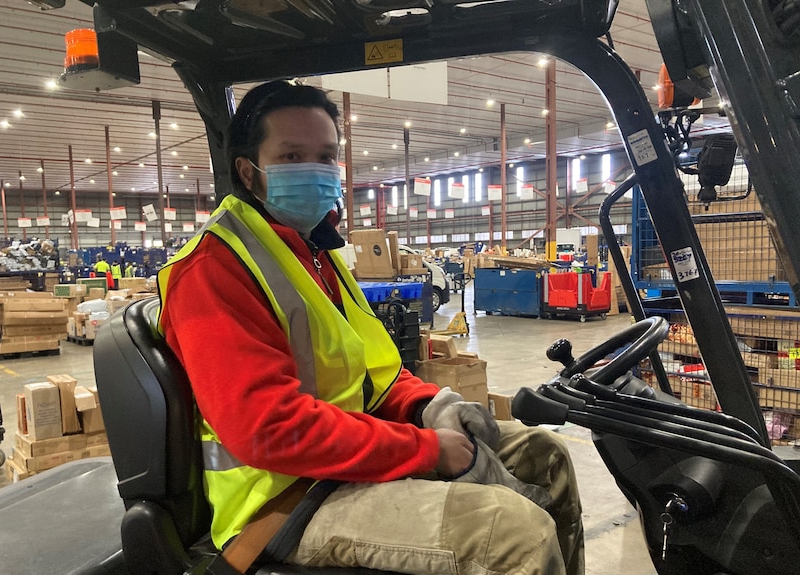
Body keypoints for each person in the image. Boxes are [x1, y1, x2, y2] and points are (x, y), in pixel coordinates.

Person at [157, 80, 584, 575]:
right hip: (283, 501)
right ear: (248, 172)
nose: (314, 171)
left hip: (349, 461)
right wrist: (424, 450)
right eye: (293, 157)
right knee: (514, 536)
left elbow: (375, 369)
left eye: (325, 156)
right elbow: (268, 430)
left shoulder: (315, 252)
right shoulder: (214, 269)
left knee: (543, 454)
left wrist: (430, 406)